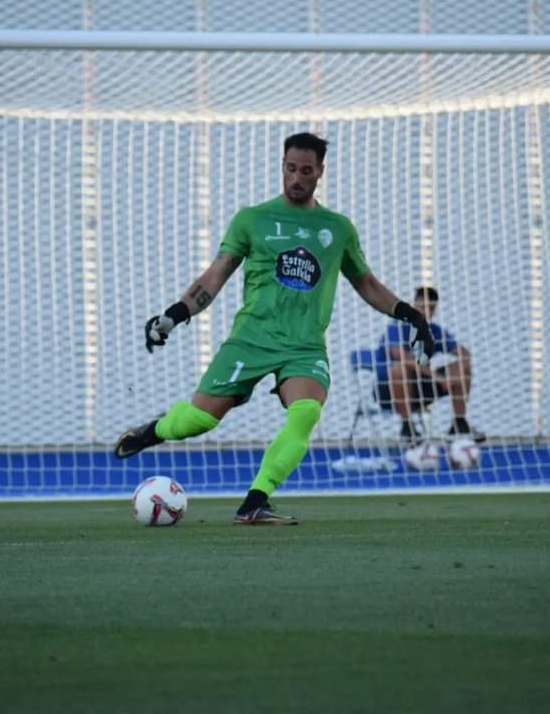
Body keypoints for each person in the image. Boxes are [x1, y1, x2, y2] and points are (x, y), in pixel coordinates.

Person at [114, 132, 435, 524]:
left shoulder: (337, 228)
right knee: (198, 420)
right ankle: (154, 430)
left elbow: (366, 284)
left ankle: (255, 501)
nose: (296, 178)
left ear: (320, 172)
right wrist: (174, 315)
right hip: (251, 339)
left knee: (305, 412)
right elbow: (215, 278)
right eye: (289, 168)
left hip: (304, 347)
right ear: (282, 166)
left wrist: (412, 315)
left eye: (305, 171)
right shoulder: (253, 219)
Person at [373, 286, 481, 445]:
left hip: (422, 387)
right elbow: (402, 357)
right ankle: (407, 427)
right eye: (422, 306)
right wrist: (437, 377)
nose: (426, 311)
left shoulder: (435, 331)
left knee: (464, 365)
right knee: (399, 369)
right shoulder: (397, 327)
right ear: (412, 306)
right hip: (388, 390)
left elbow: (464, 353)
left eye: (431, 307)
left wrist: (459, 366)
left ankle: (459, 423)